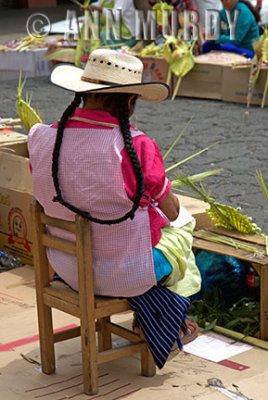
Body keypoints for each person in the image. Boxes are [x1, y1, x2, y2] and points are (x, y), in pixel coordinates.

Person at [28, 49, 200, 368]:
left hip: (66, 267)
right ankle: (166, 319)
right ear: (131, 102)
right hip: (126, 274)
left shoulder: (40, 139)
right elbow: (173, 212)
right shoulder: (136, 147)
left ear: (82, 92)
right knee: (184, 229)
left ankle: (156, 315)